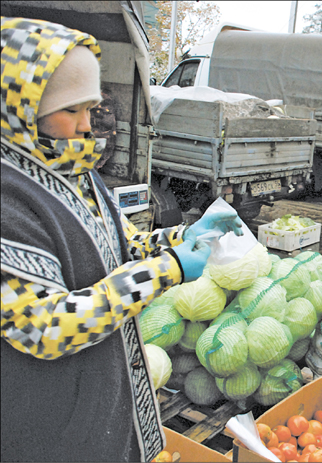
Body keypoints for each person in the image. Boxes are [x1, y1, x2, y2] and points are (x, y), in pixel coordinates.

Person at [1, 17, 243, 462]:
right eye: (69, 110)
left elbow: (122, 243)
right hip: (42, 412)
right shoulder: (9, 201)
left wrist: (183, 236)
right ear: (19, 109)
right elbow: (46, 326)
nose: (85, 126)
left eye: (90, 108)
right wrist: (166, 268)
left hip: (98, 389)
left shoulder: (73, 169)